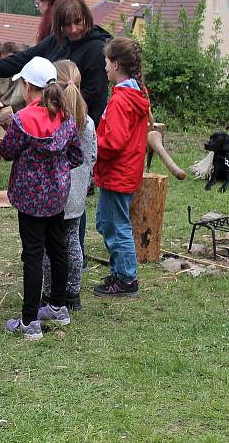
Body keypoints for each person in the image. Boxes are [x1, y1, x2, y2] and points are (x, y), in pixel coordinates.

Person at [0, 57, 83, 340]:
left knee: (33, 255)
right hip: (57, 195)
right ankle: (59, 306)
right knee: (58, 248)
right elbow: (76, 155)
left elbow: (8, 151)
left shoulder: (22, 119)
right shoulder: (66, 117)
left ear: (26, 86)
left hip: (29, 197)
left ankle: (29, 321)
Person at [0, 0, 111, 128]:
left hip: (80, 126)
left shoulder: (97, 49)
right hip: (50, 123)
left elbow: (93, 97)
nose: (73, 29)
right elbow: (25, 58)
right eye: (67, 24)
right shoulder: (58, 39)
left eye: (78, 22)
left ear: (87, 17)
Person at [93, 37, 151, 298]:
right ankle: (119, 272)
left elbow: (113, 142)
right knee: (108, 223)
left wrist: (94, 145)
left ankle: (127, 279)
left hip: (117, 172)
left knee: (117, 226)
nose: (104, 67)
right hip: (122, 171)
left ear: (116, 65)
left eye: (106, 62)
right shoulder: (132, 94)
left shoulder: (121, 101)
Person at [39, 60, 96, 314]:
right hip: (78, 191)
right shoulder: (88, 122)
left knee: (50, 247)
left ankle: (50, 293)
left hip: (56, 190)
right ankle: (73, 293)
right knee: (73, 241)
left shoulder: (56, 122)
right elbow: (92, 155)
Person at [0, 42, 28, 111]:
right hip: (0, 113)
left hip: (19, 114)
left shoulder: (25, 76)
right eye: (3, 61)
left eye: (9, 60)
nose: (6, 64)